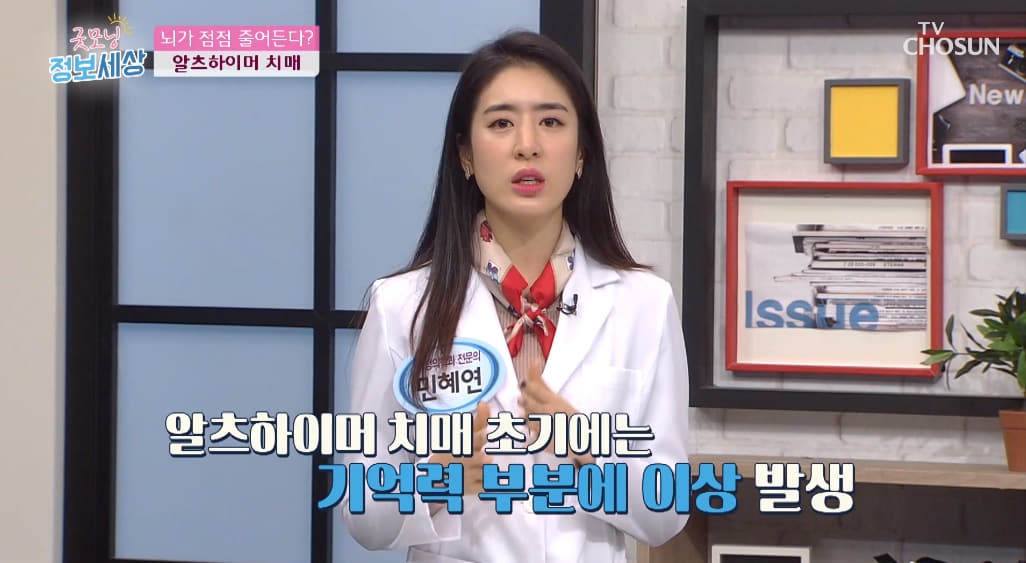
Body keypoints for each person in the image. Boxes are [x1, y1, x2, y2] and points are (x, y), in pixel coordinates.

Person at [341, 30, 690, 563]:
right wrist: (435, 479)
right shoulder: (401, 306)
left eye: (551, 122)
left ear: (581, 154)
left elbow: (667, 515)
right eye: (501, 123)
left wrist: (590, 450)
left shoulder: (644, 303)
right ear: (465, 154)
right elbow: (363, 516)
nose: (527, 144)